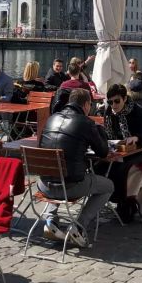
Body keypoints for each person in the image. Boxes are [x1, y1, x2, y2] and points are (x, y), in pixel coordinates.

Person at [38, 88, 114, 246]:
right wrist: (99, 129)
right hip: (70, 186)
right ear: (86, 104)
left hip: (43, 185)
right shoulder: (85, 122)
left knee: (56, 170)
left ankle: (51, 220)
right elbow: (103, 152)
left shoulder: (52, 118)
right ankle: (79, 227)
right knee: (108, 186)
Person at [101, 84, 142, 222]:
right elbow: (107, 135)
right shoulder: (108, 112)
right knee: (99, 166)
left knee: (123, 169)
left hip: (138, 153)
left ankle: (126, 203)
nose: (113, 105)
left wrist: (136, 137)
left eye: (117, 101)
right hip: (115, 151)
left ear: (125, 98)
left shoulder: (137, 111)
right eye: (110, 102)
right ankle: (108, 199)